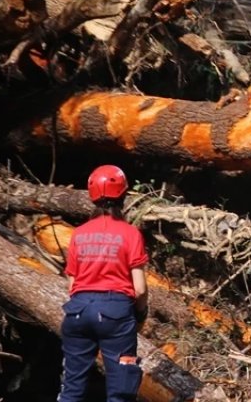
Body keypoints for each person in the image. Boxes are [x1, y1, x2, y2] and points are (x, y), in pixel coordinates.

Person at [58, 164, 149, 402]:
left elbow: (72, 285)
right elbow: (139, 289)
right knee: (121, 389)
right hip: (116, 315)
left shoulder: (78, 234)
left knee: (72, 389)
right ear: (124, 195)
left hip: (77, 313)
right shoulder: (131, 234)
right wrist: (140, 315)